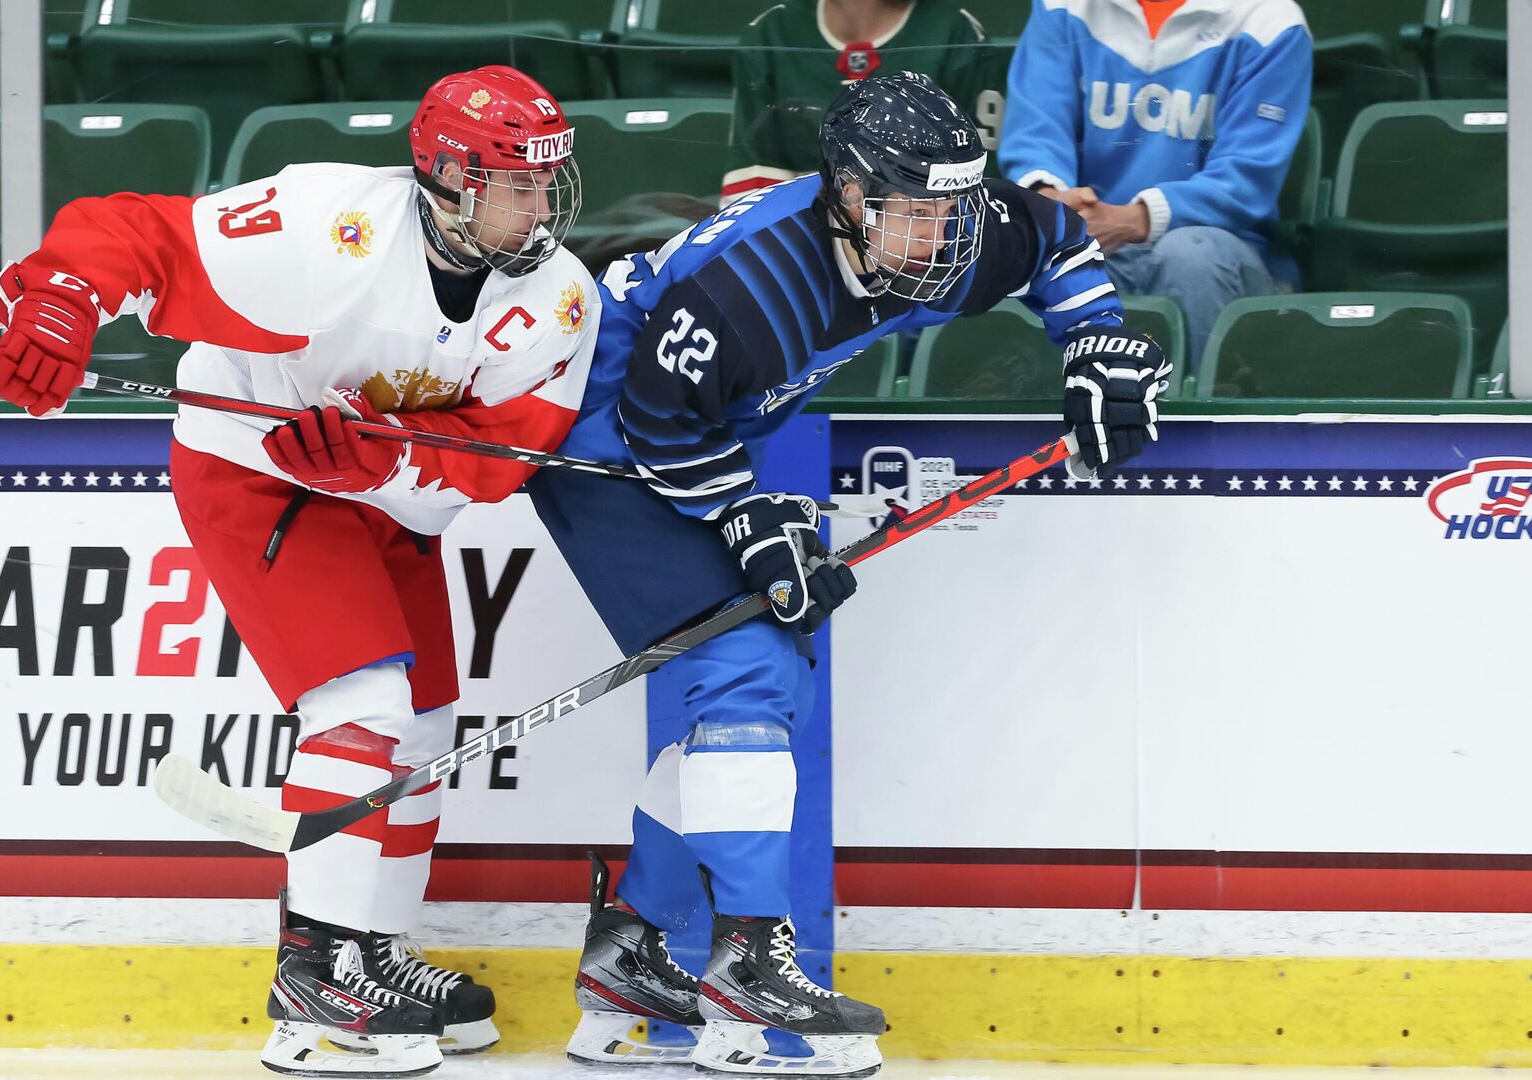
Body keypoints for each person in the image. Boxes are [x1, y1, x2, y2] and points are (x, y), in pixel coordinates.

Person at [531, 71, 1169, 1076]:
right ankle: (741, 963)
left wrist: (1094, 334)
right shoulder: (747, 285)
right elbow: (659, 421)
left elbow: (1054, 240)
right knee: (751, 674)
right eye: (920, 212)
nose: (949, 237)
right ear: (852, 196)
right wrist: (744, 514)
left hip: (704, 426)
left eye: (957, 208)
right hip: (603, 436)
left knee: (755, 682)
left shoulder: (950, 237)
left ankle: (636, 950)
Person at [0, 66, 599, 1078]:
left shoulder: (558, 299)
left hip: (385, 497)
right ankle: (314, 985)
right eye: (516, 186)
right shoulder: (326, 226)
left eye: (547, 182)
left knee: (430, 722)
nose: (542, 207)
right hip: (253, 472)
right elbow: (141, 232)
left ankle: (373, 953)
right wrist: (63, 296)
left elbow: (505, 450)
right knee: (364, 701)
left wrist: (384, 453)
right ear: (448, 178)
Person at [998, 0, 1311, 361]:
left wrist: (1132, 220)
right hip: (1088, 238)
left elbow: (1246, 176)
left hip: (1222, 249)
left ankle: (1197, 412)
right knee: (1028, 258)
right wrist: (1054, 204)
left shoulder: (1270, 19)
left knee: (1190, 256)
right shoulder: (1061, 7)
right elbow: (1035, 134)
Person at [722, 0, 1005, 203]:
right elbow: (754, 185)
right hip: (803, 240)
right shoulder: (771, 31)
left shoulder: (958, 32)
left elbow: (977, 185)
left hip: (922, 242)